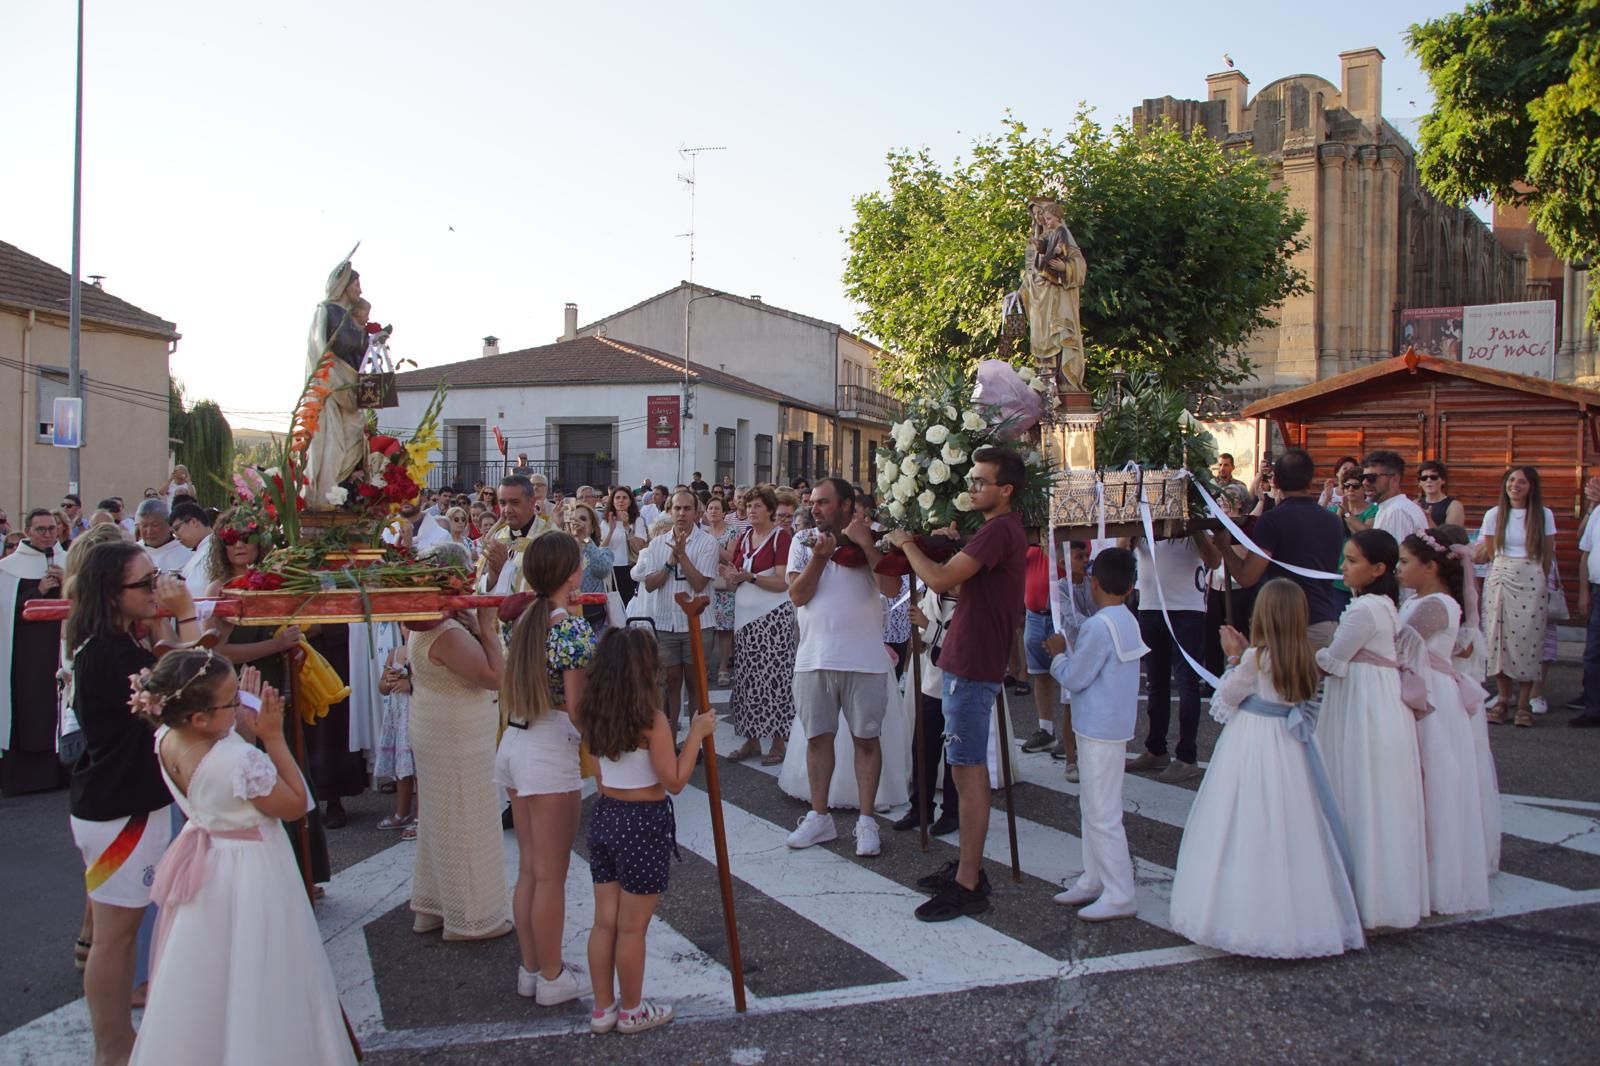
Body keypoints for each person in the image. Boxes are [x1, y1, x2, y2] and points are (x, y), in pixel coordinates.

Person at [125, 653, 356, 1066]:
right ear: (198, 717)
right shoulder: (238, 761)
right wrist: (273, 738)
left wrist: (242, 734)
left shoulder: (167, 738)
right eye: (232, 701)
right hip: (254, 871)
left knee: (210, 971)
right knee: (263, 964)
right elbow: (295, 804)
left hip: (210, 868)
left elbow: (226, 790)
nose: (241, 706)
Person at [1170, 579, 1364, 957]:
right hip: (1291, 746)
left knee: (1248, 819)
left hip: (1254, 743)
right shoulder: (1303, 656)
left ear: (1262, 615)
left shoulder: (1254, 658)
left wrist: (1231, 657)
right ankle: (1300, 911)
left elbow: (1226, 699)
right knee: (1294, 822)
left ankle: (1244, 914)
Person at [68, 541, 201, 1066]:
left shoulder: (110, 643)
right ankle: (112, 1048)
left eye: (156, 578)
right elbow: (195, 685)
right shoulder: (113, 653)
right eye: (144, 584)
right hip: (118, 810)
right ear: (111, 594)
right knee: (114, 939)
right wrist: (187, 615)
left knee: (117, 938)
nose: (155, 590)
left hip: (117, 802)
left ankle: (117, 1043)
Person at [888, 447, 1028, 921]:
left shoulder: (1000, 529)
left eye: (980, 482)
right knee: (963, 770)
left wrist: (907, 544)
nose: (971, 489)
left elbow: (943, 577)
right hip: (963, 658)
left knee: (968, 777)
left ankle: (970, 882)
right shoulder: (993, 532)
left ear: (1004, 490)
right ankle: (967, 869)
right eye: (970, 481)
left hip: (973, 665)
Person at [578, 627, 717, 1035]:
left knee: (605, 922)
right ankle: (633, 1009)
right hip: (642, 822)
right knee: (632, 927)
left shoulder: (593, 714)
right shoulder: (652, 721)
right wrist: (696, 735)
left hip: (606, 814)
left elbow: (601, 779)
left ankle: (603, 1008)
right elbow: (673, 780)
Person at [1314, 529, 1430, 930]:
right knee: (1374, 789)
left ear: (1377, 568)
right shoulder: (1380, 604)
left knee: (1357, 780)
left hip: (1364, 698)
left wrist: (1297, 654)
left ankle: (1361, 889)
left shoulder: (1365, 610)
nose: (1343, 568)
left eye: (1351, 561)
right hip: (1373, 693)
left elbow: (1333, 658)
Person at [493, 532, 592, 1003]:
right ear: (571, 571)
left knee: (531, 870)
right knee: (551, 874)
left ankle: (532, 967)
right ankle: (551, 976)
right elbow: (577, 706)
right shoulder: (569, 627)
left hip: (515, 740)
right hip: (549, 747)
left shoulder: (525, 617)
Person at [786, 478, 900, 857]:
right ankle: (820, 817)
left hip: (863, 658)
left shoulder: (877, 540)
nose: (815, 508)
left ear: (848, 505)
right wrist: (820, 557)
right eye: (813, 502)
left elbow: (890, 587)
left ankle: (867, 821)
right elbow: (798, 595)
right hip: (814, 657)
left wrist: (865, 543)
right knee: (818, 739)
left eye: (824, 502)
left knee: (866, 740)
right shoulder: (802, 543)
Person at [408, 543, 513, 942]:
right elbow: (494, 676)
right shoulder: (446, 630)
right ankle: (470, 918)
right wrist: (487, 627)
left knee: (441, 818)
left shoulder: (433, 620)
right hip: (455, 732)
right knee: (467, 820)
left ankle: (433, 906)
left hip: (442, 725)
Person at [1042, 547, 1146, 922]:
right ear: (1131, 587)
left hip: (1099, 727)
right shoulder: (1126, 619)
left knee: (1102, 812)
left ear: (1094, 583)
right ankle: (1094, 876)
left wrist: (1057, 654)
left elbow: (1076, 677)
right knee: (1094, 806)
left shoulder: (1099, 626)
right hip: (1107, 724)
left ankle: (1120, 891)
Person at [1398, 530, 1492, 915]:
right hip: (1426, 685)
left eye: (1405, 562)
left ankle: (1434, 869)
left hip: (1431, 692)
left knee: (1432, 778)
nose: (1399, 569)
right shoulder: (1421, 600)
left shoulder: (1435, 605)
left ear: (1431, 566)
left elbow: (1398, 645)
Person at [1218, 448, 1344, 647]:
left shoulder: (1272, 520)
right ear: (1310, 481)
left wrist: (1224, 548)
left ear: (1275, 482)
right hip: (1323, 620)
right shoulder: (1333, 520)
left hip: (1282, 625)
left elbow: (1247, 577)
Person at [1129, 530, 1222, 783]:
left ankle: (1187, 756)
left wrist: (1196, 531)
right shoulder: (1145, 515)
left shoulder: (1192, 518)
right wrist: (1135, 526)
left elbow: (1214, 561)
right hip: (1150, 605)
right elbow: (1124, 548)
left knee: (1186, 683)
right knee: (1156, 683)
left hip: (1187, 608)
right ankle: (1156, 748)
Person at [629, 490, 719, 734]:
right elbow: (650, 583)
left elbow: (699, 583)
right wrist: (670, 561)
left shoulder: (707, 542)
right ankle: (668, 740)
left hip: (698, 625)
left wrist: (682, 556)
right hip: (665, 624)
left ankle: (697, 739)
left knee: (695, 686)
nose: (681, 514)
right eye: (677, 508)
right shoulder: (657, 544)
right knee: (669, 685)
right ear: (670, 511)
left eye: (687, 509)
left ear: (696, 512)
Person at [1473, 466, 1557, 727]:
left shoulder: (1543, 515)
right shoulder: (1494, 515)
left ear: (1531, 486)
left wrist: (1538, 583)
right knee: (1498, 637)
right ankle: (1502, 699)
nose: (1515, 486)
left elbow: (1546, 555)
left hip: (1530, 577)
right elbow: (1489, 550)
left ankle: (1524, 703)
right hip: (1500, 575)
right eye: (1511, 480)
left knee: (1527, 639)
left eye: (1522, 482)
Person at [724, 486, 795, 764]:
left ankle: (778, 742)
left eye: (757, 506)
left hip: (772, 619)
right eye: (749, 505)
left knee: (775, 678)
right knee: (748, 679)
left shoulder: (781, 538)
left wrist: (750, 577)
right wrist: (733, 577)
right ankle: (751, 740)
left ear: (770, 510)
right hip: (745, 621)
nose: (751, 510)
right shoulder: (744, 537)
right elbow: (739, 574)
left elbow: (782, 582)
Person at [0, 509, 69, 795]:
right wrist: (38, 591)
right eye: (41, 529)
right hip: (25, 655)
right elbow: (6, 611)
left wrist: (67, 583)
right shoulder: (9, 567)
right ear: (28, 531)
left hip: (61, 648)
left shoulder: (67, 561)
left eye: (51, 528)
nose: (47, 534)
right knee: (30, 708)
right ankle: (28, 777)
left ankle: (62, 771)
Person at [1018, 532, 1067, 755]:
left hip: (1061, 615)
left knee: (1070, 677)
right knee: (1040, 674)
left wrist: (1051, 549)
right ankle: (1045, 730)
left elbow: (1075, 565)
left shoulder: (1067, 534)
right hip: (1034, 615)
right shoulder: (1030, 539)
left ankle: (1071, 736)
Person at [477, 475, 556, 604]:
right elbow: (479, 583)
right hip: (497, 620)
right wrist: (492, 577)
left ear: (531, 502)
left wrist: (505, 569)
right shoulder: (498, 537)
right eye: (502, 503)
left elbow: (554, 587)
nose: (507, 510)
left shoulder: (551, 537)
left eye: (514, 503)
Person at [374, 624, 417, 836]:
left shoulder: (423, 652)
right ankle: (402, 813)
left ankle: (422, 816)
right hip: (398, 719)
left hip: (417, 715)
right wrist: (388, 681)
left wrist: (411, 684)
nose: (408, 629)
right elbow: (382, 686)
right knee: (402, 769)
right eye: (404, 624)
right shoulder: (395, 653)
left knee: (419, 769)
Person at [702, 497, 739, 686]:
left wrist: (712, 542)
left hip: (724, 585)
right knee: (707, 630)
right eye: (710, 508)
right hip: (705, 584)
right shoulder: (702, 531)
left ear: (724, 512)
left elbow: (730, 557)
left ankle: (723, 667)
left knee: (725, 630)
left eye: (717, 508)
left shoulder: (732, 530)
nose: (713, 511)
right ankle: (706, 666)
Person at [566, 501, 614, 633]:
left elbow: (603, 569)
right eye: (573, 519)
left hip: (594, 621)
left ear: (592, 527)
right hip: (567, 619)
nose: (577, 523)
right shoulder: (561, 553)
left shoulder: (603, 552)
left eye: (583, 519)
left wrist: (585, 539)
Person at [1365, 451, 1429, 545]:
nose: (1365, 483)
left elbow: (1396, 557)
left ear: (1394, 479)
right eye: (1363, 477)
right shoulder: (1392, 508)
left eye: (1371, 477)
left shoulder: (1396, 512)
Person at [1575, 491, 1600, 728]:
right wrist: (1583, 592)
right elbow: (1585, 553)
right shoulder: (1597, 512)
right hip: (1598, 590)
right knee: (1593, 652)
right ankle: (1593, 709)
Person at [602, 486, 648, 603]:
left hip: (629, 569)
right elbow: (601, 548)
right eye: (617, 498)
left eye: (624, 498)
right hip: (610, 571)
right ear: (612, 501)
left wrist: (627, 526)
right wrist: (611, 531)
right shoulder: (605, 522)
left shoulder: (637, 521)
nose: (621, 501)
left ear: (630, 501)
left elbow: (640, 549)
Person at [135, 499, 194, 573]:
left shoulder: (187, 552)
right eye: (144, 526)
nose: (149, 531)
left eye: (154, 525)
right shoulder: (133, 553)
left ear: (169, 525)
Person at [168, 502, 213, 597]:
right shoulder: (203, 548)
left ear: (194, 522)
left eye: (177, 529)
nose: (176, 536)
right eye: (173, 532)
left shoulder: (218, 547)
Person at [1417, 461, 1466, 527]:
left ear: (1443, 480)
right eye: (1424, 478)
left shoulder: (1454, 506)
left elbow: (1451, 536)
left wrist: (1428, 519)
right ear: (1420, 483)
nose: (1428, 480)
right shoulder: (1415, 504)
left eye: (1433, 477)